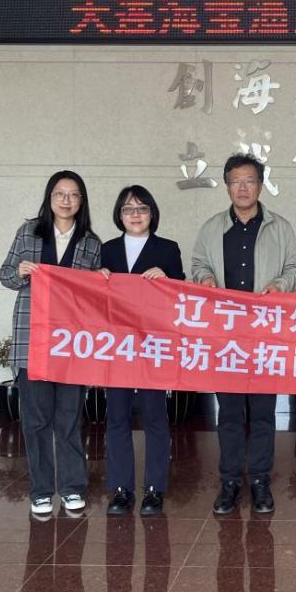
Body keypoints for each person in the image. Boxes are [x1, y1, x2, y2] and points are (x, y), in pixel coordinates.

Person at [191, 153, 296, 515]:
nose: (243, 188)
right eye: (236, 181)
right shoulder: (212, 228)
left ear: (260, 185)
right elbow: (198, 264)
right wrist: (205, 278)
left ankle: (259, 480)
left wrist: (281, 285)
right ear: (227, 186)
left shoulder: (279, 228)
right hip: (225, 337)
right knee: (229, 413)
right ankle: (229, 481)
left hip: (265, 335)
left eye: (250, 181)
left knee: (262, 412)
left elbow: (295, 267)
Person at [0, 170, 103, 517]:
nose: (66, 200)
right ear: (49, 197)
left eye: (73, 195)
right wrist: (21, 272)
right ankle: (41, 491)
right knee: (36, 420)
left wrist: (99, 280)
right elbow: (5, 275)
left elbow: (96, 295)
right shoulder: (29, 231)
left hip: (72, 343)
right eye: (60, 193)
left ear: (81, 201)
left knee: (70, 419)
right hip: (33, 341)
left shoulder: (90, 242)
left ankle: (72, 487)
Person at [99, 185, 185, 517]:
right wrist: (97, 278)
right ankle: (121, 489)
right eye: (128, 209)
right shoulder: (106, 250)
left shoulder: (167, 249)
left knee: (155, 417)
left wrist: (168, 278)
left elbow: (181, 296)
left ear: (152, 213)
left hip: (153, 346)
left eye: (142, 208)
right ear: (119, 215)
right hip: (117, 346)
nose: (135, 215)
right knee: (117, 417)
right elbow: (92, 299)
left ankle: (154, 489)